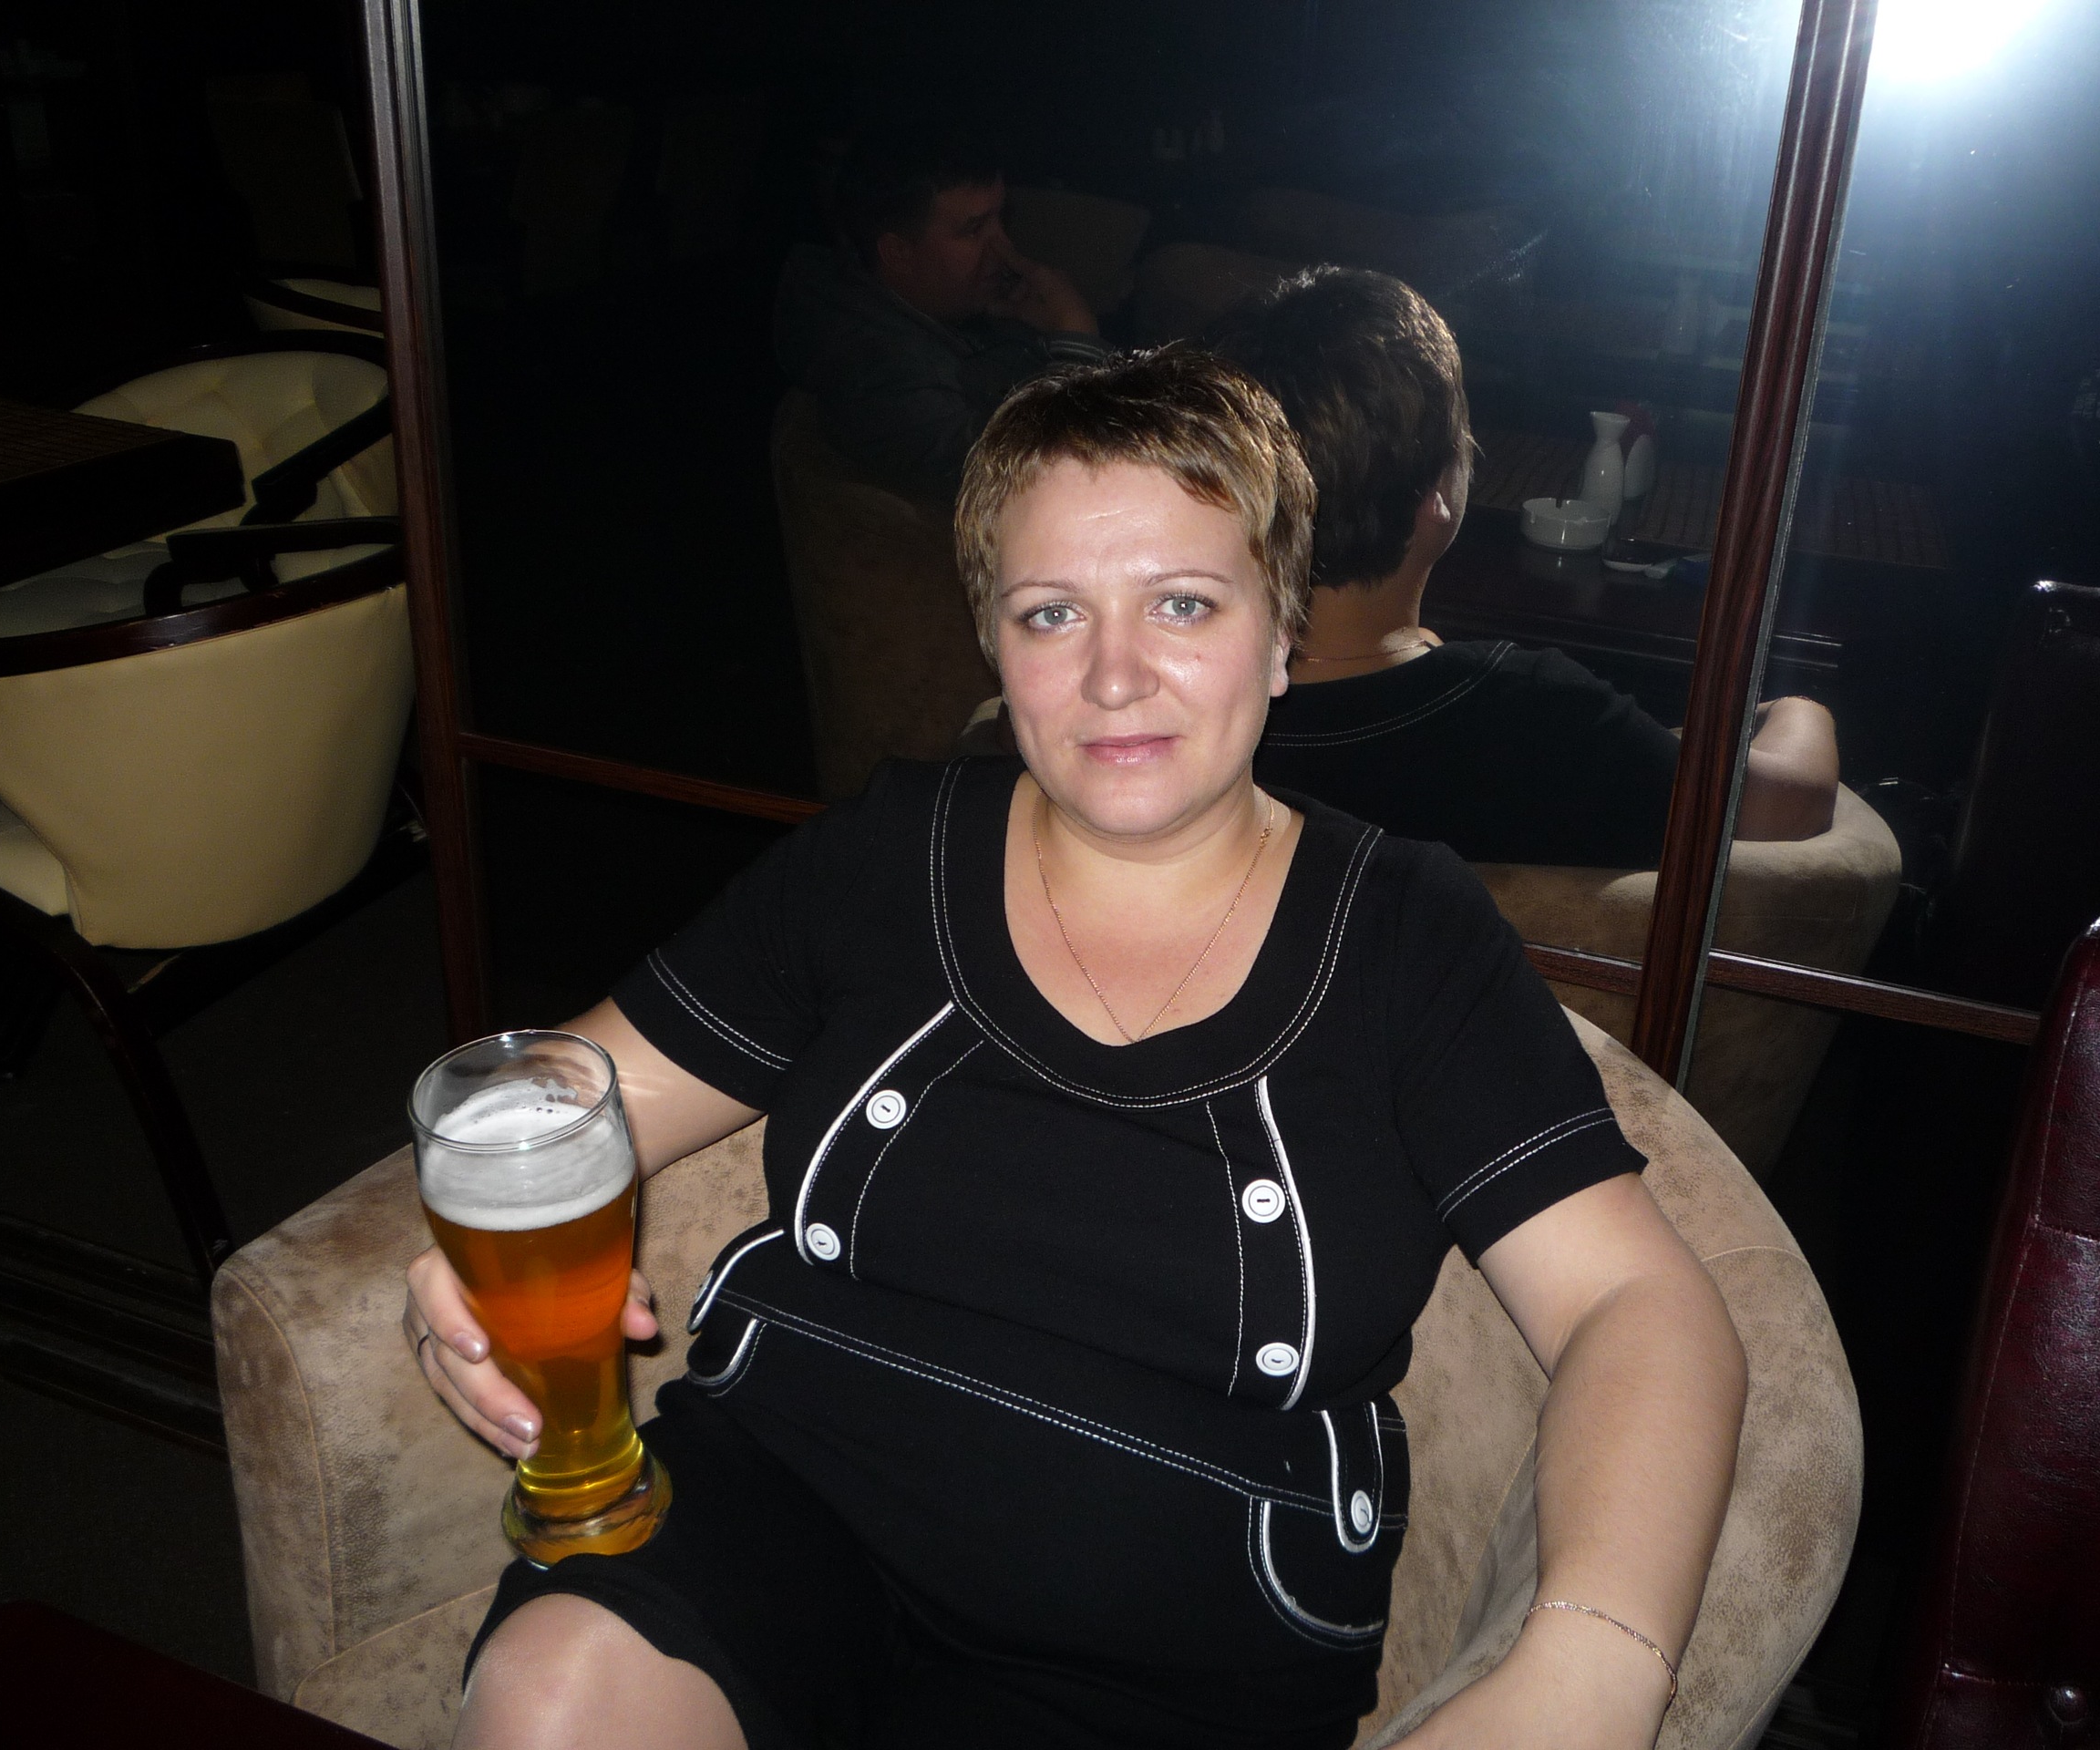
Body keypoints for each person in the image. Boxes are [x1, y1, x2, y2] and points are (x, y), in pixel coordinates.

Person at [407, 348, 1747, 1750]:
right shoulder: (886, 852)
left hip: (1175, 1650)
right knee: (552, 1695)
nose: (1115, 675)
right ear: (995, 644)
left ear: (1282, 631)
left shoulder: (1408, 933)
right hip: (778, 1503)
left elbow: (1636, 1305)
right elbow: (574, 1092)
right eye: (1052, 613)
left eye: (1184, 603)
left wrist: (1587, 1667)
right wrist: (472, 1247)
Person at [1209, 267, 1840, 864]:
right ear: (1436, 493)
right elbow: (1792, 801)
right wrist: (1799, 709)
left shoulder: (1192, 706)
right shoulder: (1536, 721)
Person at [775, 119, 1110, 501]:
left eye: (1001, 219)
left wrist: (1034, 336)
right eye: (973, 229)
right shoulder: (873, 371)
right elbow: (1023, 483)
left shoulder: (950, 307)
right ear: (898, 253)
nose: (1003, 247)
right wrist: (1076, 344)